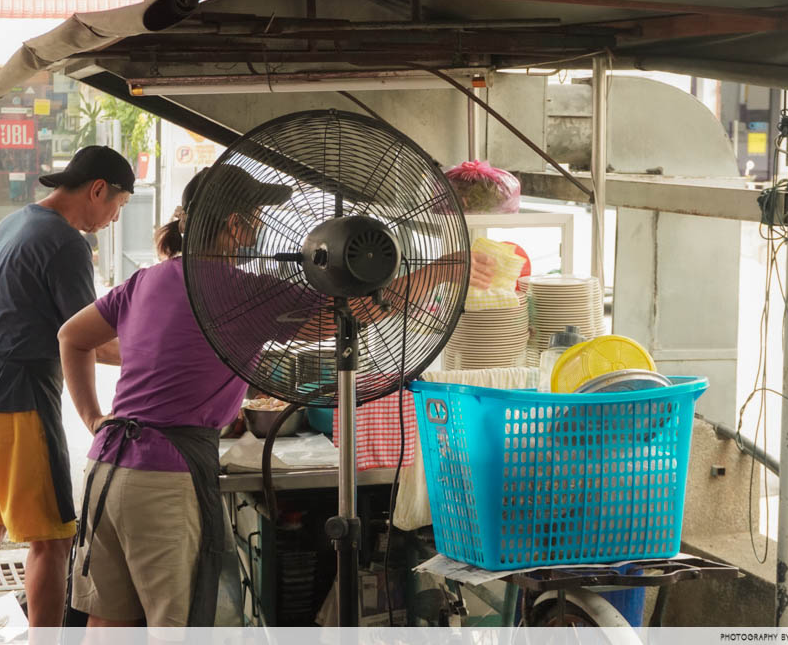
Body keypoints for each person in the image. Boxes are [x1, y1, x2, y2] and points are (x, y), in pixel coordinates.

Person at [59, 165, 497, 627]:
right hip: (165, 480)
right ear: (233, 225)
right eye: (256, 217)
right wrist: (441, 270)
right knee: (178, 627)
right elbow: (355, 312)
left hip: (105, 470)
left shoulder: (146, 279)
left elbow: (71, 336)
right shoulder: (238, 288)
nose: (261, 228)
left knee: (108, 625)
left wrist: (93, 418)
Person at [0, 145, 133, 628]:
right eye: (120, 204)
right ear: (98, 190)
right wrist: (157, 352)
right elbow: (91, 342)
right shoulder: (67, 244)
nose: (116, 218)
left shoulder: (15, 222)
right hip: (17, 398)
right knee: (51, 542)